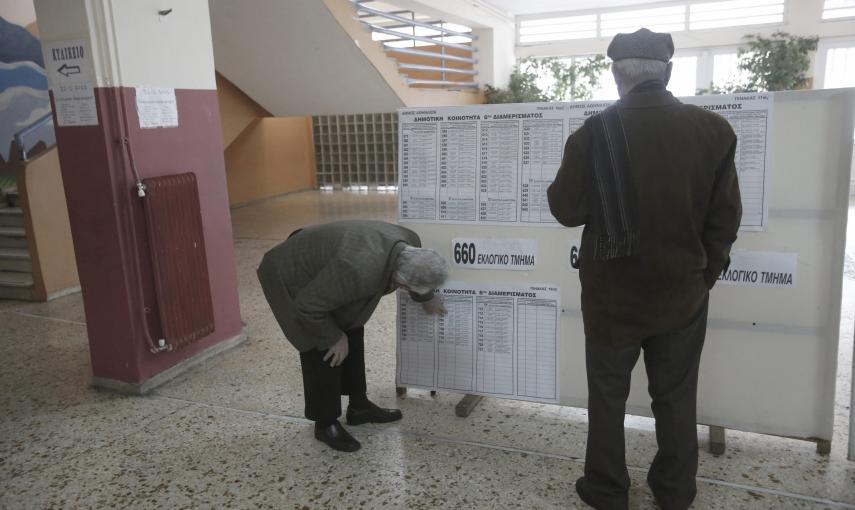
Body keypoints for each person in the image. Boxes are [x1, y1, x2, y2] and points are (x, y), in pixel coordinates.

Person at [547, 28, 742, 510]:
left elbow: (566, 210)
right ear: (668, 73)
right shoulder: (713, 130)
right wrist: (704, 274)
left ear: (616, 75)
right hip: (682, 295)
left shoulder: (595, 133)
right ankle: (675, 492)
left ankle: (608, 491)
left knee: (608, 400)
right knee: (676, 399)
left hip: (612, 299)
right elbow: (725, 218)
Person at [257, 220, 448, 452]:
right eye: (406, 288)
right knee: (321, 347)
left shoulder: (410, 242)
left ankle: (359, 407)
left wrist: (425, 297)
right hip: (292, 276)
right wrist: (332, 337)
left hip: (330, 265)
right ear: (401, 282)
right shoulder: (358, 269)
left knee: (353, 326)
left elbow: (417, 270)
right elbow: (308, 306)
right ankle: (325, 423)